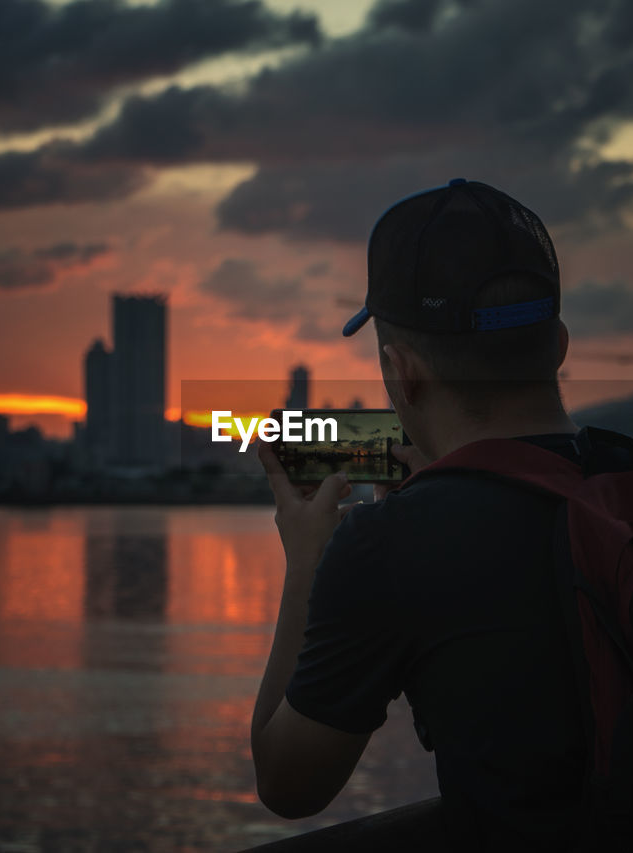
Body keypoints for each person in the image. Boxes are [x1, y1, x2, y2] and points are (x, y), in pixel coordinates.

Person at [251, 179, 596, 850]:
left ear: (401, 370)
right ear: (557, 344)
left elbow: (287, 783)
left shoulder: (390, 545)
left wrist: (308, 564)